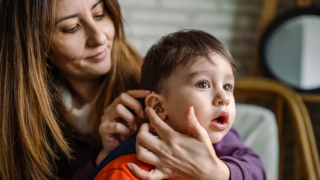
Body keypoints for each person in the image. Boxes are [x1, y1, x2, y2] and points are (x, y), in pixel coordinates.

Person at [0, 0, 265, 180]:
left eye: (99, 14)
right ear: (36, 44)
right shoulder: (25, 125)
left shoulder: (162, 80)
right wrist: (104, 158)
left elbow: (251, 164)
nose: (99, 36)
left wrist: (218, 172)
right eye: (71, 28)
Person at [88, 30, 266, 180]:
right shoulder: (126, 171)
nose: (224, 97)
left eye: (228, 87)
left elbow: (257, 169)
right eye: (203, 84)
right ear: (158, 106)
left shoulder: (220, 143)